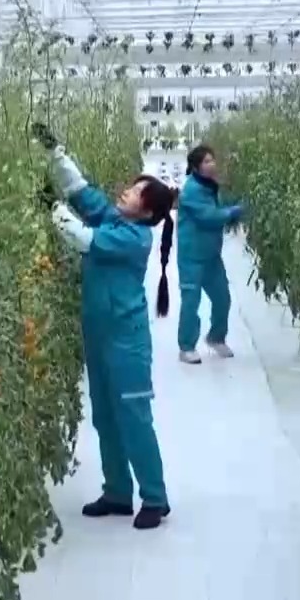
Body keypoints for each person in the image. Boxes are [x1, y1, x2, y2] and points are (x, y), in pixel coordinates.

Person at [44, 140, 179, 529]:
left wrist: (54, 209)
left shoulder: (135, 238)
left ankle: (155, 498)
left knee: (134, 418)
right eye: (131, 186)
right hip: (100, 335)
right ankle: (118, 492)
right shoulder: (114, 220)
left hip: (126, 342)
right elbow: (82, 192)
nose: (126, 191)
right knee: (105, 417)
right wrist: (56, 154)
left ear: (147, 211)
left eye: (136, 192)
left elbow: (82, 238)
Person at [173, 144, 245, 365]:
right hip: (192, 257)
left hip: (211, 256)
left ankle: (216, 337)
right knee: (191, 301)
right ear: (196, 167)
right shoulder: (192, 190)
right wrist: (232, 213)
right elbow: (208, 217)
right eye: (206, 161)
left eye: (212, 159)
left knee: (222, 297)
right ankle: (186, 347)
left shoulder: (209, 186)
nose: (212, 164)